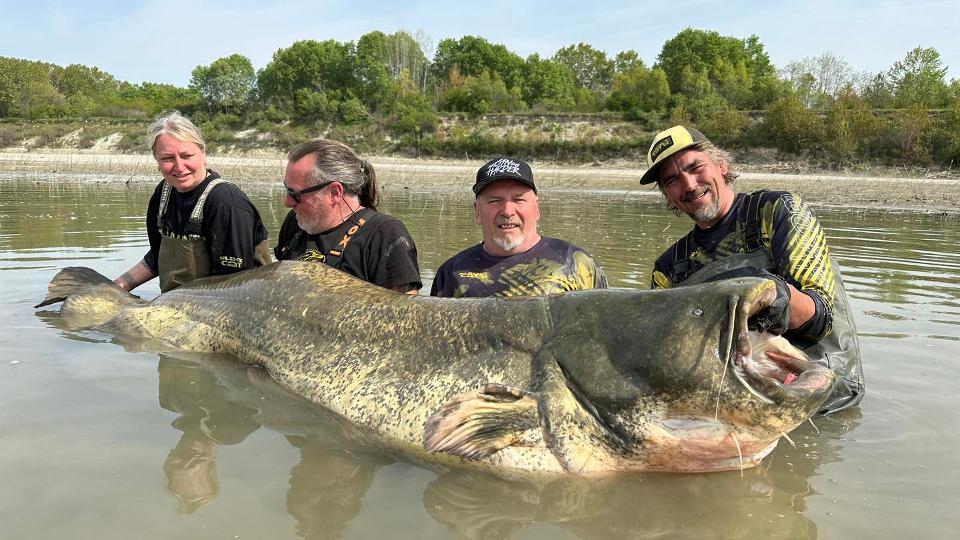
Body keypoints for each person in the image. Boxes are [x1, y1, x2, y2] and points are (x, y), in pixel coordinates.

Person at [641, 125, 864, 415]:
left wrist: (776, 296)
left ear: (721, 165)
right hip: (734, 405)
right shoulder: (668, 268)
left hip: (821, 399)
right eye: (672, 180)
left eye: (695, 167)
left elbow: (820, 317)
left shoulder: (779, 211)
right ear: (667, 196)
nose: (689, 184)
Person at [114, 110, 271, 293]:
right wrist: (118, 286)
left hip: (234, 301)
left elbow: (234, 283)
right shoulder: (163, 193)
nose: (179, 167)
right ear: (156, 160)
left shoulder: (226, 202)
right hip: (177, 302)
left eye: (186, 156)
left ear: (203, 153)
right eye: (168, 158)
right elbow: (157, 257)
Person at [431, 156, 607, 297]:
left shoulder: (576, 262)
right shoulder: (451, 272)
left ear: (536, 209)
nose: (507, 211)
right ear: (477, 212)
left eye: (519, 199)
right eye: (494, 200)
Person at [274, 138, 421, 294]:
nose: (287, 202)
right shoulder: (295, 222)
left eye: (294, 194)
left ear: (334, 193)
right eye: (287, 190)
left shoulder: (384, 234)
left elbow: (404, 313)